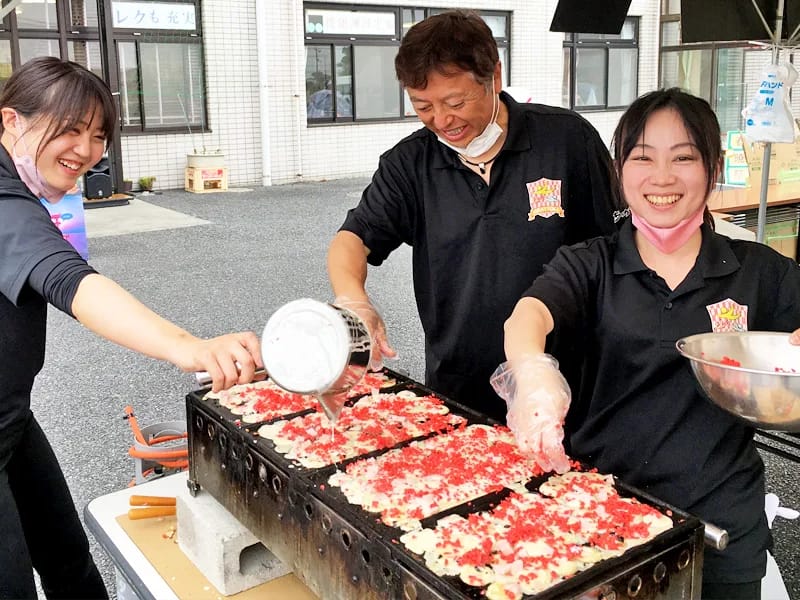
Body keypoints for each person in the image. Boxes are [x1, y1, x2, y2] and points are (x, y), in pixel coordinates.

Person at [493, 87, 800, 599]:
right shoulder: (590, 263)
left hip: (722, 526)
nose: (662, 178)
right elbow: (529, 315)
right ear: (619, 170)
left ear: (713, 169)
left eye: (683, 158)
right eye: (642, 158)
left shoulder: (759, 271)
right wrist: (532, 371)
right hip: (602, 512)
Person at [0, 57, 263, 599]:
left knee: (66, 555)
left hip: (12, 415)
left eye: (98, 135)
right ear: (11, 121)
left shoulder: (19, 186)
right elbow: (69, 280)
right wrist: (190, 347)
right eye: (69, 129)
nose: (86, 150)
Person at [326, 10, 619, 421]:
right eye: (423, 105)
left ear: (494, 76)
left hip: (561, 385)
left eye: (455, 102)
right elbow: (353, 239)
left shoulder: (567, 141)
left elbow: (615, 250)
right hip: (457, 388)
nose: (442, 120)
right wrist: (353, 299)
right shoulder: (411, 164)